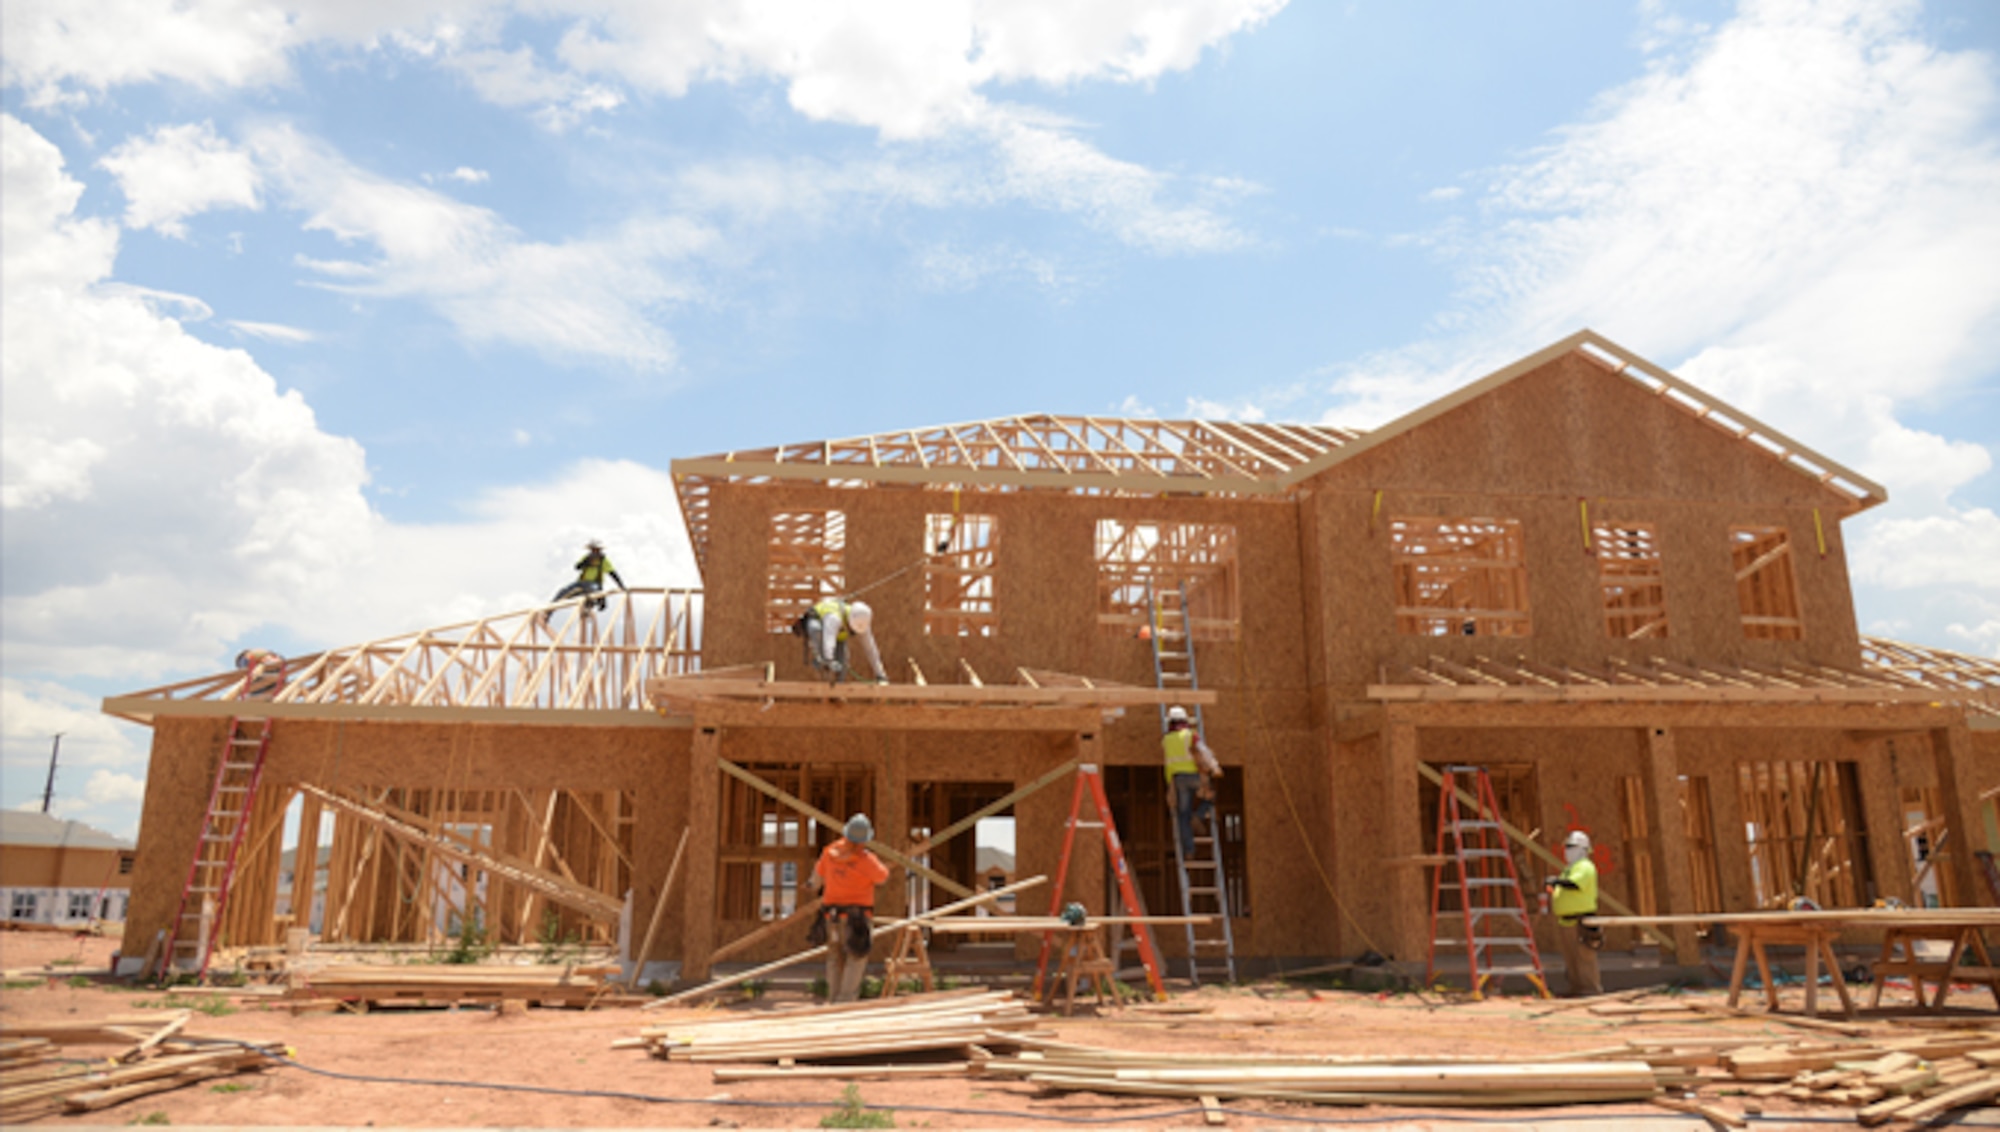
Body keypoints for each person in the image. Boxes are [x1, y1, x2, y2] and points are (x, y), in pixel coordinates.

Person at [809, 813, 890, 1002]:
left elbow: (817, 877)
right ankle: (845, 1002)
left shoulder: (829, 853)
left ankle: (833, 998)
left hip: (831, 916)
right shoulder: (866, 859)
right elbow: (882, 877)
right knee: (856, 958)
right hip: (857, 919)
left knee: (834, 957)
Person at [1544, 830, 1603, 997]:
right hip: (1567, 921)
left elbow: (1574, 884)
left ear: (1583, 849)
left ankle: (1590, 990)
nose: (1567, 850)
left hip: (1581, 920)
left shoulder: (1585, 866)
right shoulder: (1570, 869)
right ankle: (1576, 989)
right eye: (1566, 847)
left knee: (1584, 958)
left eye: (1571, 847)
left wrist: (1556, 881)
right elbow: (1565, 884)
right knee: (1572, 959)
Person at [1161, 706, 1223, 857]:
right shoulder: (1191, 735)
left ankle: (1189, 850)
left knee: (1183, 814)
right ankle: (1199, 815)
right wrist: (1215, 767)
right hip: (1195, 777)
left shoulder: (1166, 740)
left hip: (1177, 779)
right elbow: (1203, 752)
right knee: (1211, 796)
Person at [797, 597, 888, 683]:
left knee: (843, 662)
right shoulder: (834, 618)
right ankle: (822, 668)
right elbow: (829, 640)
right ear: (849, 621)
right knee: (816, 630)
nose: (852, 633)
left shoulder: (862, 623)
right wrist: (829, 660)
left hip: (836, 635)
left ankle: (837, 692)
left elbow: (870, 649)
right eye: (851, 630)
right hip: (818, 625)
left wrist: (880, 674)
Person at [546, 540, 627, 618]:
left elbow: (612, 573)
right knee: (563, 591)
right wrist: (585, 562)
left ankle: (589, 607)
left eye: (596, 550)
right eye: (593, 550)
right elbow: (577, 567)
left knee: (592, 592)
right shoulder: (587, 557)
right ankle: (548, 612)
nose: (594, 552)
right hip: (581, 582)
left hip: (594, 584)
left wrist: (621, 585)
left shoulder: (604, 560)